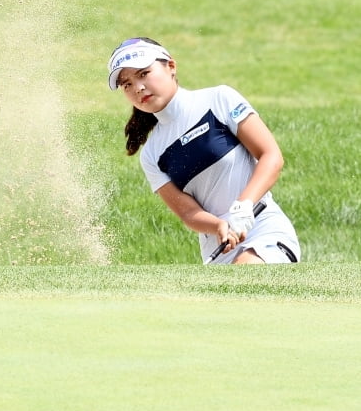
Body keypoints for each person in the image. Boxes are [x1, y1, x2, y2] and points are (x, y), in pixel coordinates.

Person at [107, 37, 301, 265]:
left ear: (171, 66)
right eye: (126, 84)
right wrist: (218, 225)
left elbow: (271, 156)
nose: (138, 88)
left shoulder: (219, 99)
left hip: (263, 227)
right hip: (219, 248)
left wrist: (244, 206)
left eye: (143, 73)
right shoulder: (151, 154)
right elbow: (188, 213)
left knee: (247, 270)